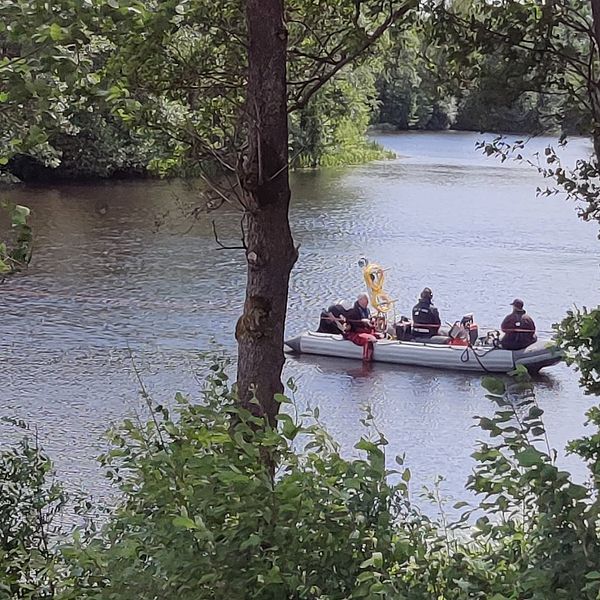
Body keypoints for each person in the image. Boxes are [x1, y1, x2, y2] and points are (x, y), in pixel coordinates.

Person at [343, 293, 381, 361]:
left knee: (380, 335)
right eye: (365, 301)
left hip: (365, 330)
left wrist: (371, 320)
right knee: (369, 339)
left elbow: (369, 320)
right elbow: (352, 323)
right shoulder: (353, 311)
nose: (367, 303)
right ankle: (366, 358)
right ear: (360, 300)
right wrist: (361, 321)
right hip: (356, 331)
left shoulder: (367, 310)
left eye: (367, 301)